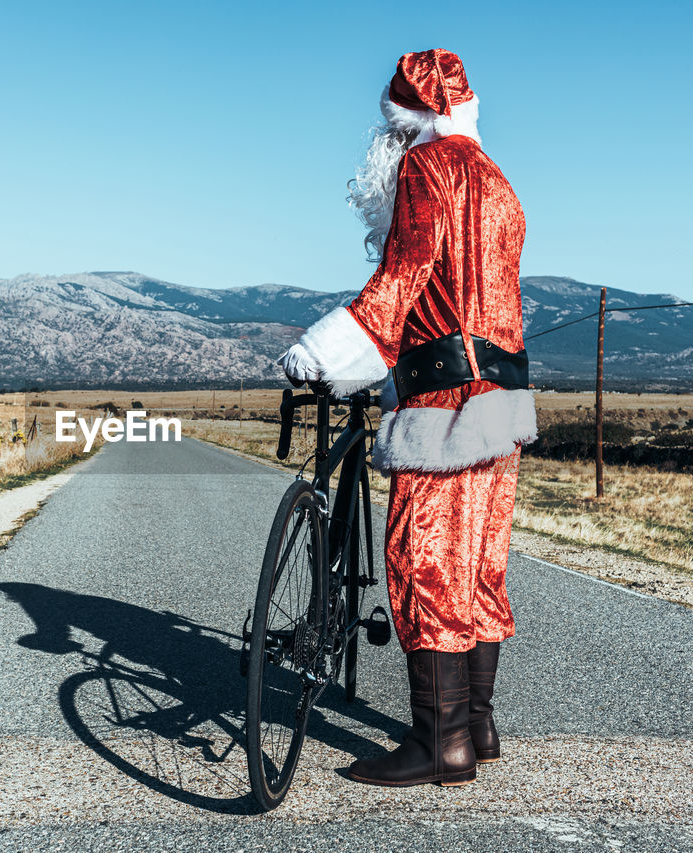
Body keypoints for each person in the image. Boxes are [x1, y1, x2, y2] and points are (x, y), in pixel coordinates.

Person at [278, 49, 536, 788]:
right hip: (503, 395)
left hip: (443, 403)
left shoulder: (427, 171)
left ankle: (437, 743)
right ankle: (476, 723)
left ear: (406, 124)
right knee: (478, 563)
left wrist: (322, 350)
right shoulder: (499, 184)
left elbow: (403, 277)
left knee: (421, 560)